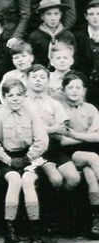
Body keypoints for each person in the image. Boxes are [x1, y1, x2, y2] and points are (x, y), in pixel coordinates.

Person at [0, 78, 48, 243]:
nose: (14, 99)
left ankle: (34, 229)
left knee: (28, 180)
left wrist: (28, 158)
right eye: (10, 95)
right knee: (15, 180)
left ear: (24, 96)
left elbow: (42, 140)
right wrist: (9, 160)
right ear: (4, 97)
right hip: (7, 157)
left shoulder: (31, 113)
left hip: (28, 156)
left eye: (19, 95)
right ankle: (10, 230)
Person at [25, 64, 80, 193]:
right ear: (27, 80)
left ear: (48, 81)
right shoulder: (22, 104)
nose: (38, 80)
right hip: (30, 149)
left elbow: (61, 129)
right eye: (34, 77)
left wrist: (52, 129)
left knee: (74, 178)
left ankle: (62, 203)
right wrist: (51, 128)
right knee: (56, 179)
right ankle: (49, 204)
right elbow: (25, 130)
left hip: (53, 148)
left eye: (42, 77)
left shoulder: (54, 104)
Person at [59, 71, 99, 237]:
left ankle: (96, 221)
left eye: (78, 87)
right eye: (70, 87)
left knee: (91, 175)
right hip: (70, 153)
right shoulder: (59, 108)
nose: (74, 91)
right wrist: (86, 138)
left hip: (89, 151)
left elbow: (97, 136)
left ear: (84, 90)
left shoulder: (91, 109)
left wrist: (75, 135)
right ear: (64, 90)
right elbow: (62, 140)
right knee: (93, 158)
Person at [28, 0, 76, 68]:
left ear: (60, 15)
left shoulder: (68, 35)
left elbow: (74, 57)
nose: (53, 18)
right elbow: (32, 59)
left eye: (56, 14)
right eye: (49, 14)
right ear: (42, 16)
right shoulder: (34, 36)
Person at [74, 0, 99, 109]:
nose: (95, 17)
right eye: (91, 14)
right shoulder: (78, 36)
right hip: (86, 86)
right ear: (86, 16)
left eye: (98, 14)